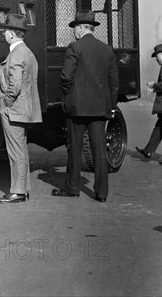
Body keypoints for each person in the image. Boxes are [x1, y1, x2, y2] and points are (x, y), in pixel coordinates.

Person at [53, 10, 119, 202]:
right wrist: (111, 106)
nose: (74, 30)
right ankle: (101, 193)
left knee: (74, 148)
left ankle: (72, 188)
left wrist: (71, 94)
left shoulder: (75, 47)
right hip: (99, 108)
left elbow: (66, 76)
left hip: (77, 108)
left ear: (81, 28)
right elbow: (113, 82)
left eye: (75, 27)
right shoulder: (106, 49)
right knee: (99, 151)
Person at [0, 14, 42, 204]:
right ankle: (22, 189)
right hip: (24, 109)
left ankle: (18, 191)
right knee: (20, 149)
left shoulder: (16, 54)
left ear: (13, 34)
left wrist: (6, 102)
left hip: (13, 109)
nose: (4, 33)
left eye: (6, 30)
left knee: (15, 151)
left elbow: (14, 85)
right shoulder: (28, 52)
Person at [136, 43, 162, 165]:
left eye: (157, 56)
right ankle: (148, 151)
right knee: (159, 128)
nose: (156, 59)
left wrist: (154, 85)